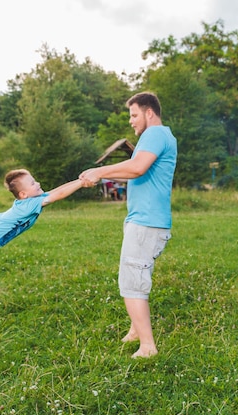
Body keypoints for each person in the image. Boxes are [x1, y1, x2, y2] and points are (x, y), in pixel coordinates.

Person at [79, 92, 177, 358]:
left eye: (134, 115)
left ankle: (148, 346)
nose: (131, 122)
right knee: (132, 274)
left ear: (149, 113)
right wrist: (101, 178)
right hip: (144, 220)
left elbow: (137, 168)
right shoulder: (158, 137)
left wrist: (100, 171)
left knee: (132, 281)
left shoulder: (155, 134)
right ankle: (136, 330)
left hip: (147, 222)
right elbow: (133, 172)